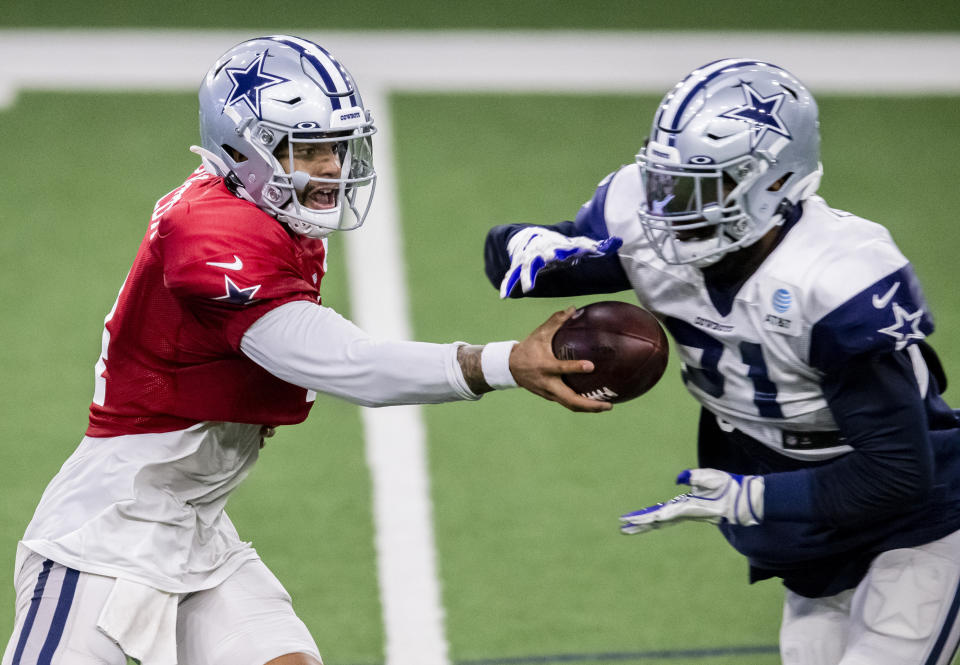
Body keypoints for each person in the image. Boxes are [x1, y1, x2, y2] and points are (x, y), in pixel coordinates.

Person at [2, 35, 612, 665]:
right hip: (107, 536)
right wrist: (500, 363)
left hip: (195, 529)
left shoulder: (271, 218)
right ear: (241, 146)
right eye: (306, 147)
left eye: (336, 147)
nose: (330, 168)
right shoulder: (211, 230)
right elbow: (349, 364)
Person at [484, 58, 960, 665]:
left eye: (706, 184)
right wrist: (526, 243)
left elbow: (897, 474)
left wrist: (751, 500)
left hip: (913, 520)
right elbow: (518, 266)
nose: (674, 204)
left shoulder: (835, 278)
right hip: (803, 521)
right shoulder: (657, 222)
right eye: (669, 180)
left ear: (775, 183)